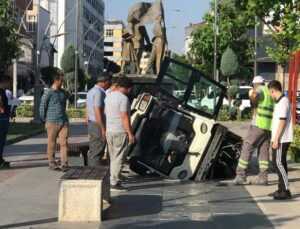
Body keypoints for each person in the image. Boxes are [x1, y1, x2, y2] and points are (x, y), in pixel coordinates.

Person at [221, 76, 274, 185]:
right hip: (268, 127)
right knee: (263, 151)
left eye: (253, 85)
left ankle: (240, 175)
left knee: (247, 147)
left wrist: (254, 105)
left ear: (256, 84)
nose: (253, 87)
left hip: (258, 125)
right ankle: (263, 177)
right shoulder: (269, 92)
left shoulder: (260, 88)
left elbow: (254, 95)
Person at [105, 77, 135, 191]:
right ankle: (114, 182)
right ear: (129, 88)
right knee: (119, 158)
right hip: (119, 131)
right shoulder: (123, 99)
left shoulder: (109, 96)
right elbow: (124, 116)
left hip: (110, 131)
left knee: (113, 156)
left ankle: (115, 175)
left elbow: (105, 112)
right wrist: (130, 133)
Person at [39, 68, 69, 172]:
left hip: (63, 122)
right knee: (52, 144)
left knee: (64, 143)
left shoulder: (63, 92)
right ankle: (52, 163)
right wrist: (45, 120)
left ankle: (64, 164)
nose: (63, 82)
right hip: (52, 122)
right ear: (56, 80)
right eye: (61, 80)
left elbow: (65, 103)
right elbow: (42, 107)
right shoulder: (48, 93)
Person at [268, 80, 293, 200]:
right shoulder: (280, 102)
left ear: (272, 90)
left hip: (282, 138)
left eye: (270, 93)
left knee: (278, 163)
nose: (270, 95)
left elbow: (282, 122)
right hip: (278, 138)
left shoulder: (283, 102)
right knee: (279, 163)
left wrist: (276, 139)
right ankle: (281, 188)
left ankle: (286, 190)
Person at [85, 72, 112, 166]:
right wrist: (103, 128)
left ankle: (91, 172)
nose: (110, 85)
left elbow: (87, 108)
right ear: (105, 82)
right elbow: (97, 110)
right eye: (109, 82)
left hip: (93, 123)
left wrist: (88, 121)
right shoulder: (99, 93)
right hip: (97, 124)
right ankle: (94, 174)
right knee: (97, 152)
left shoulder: (91, 91)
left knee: (93, 150)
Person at [0, 75, 12, 168]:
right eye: (9, 82)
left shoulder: (3, 91)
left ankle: (1, 159)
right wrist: (3, 109)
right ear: (5, 82)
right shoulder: (0, 91)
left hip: (3, 118)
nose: (10, 84)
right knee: (1, 140)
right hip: (2, 118)